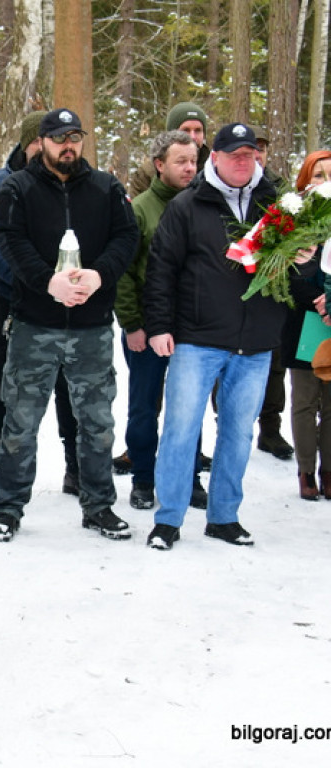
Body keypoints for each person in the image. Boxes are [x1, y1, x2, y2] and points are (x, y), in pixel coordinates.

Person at [143, 123, 315, 550]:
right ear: (213, 157)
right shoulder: (186, 206)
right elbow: (161, 270)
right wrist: (160, 326)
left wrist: (305, 261)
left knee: (238, 432)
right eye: (234, 153)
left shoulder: (278, 208)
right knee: (181, 430)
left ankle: (223, 516)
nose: (243, 159)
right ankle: (168, 520)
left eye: (250, 153)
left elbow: (292, 280)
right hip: (197, 338)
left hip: (254, 342)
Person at [0, 107, 137, 543]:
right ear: (43, 142)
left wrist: (99, 274)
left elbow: (125, 238)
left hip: (91, 325)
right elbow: (7, 238)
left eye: (75, 137)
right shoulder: (18, 187)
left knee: (96, 422)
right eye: (59, 138)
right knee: (20, 420)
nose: (68, 145)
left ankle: (99, 506)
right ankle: (8, 507)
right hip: (36, 323)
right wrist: (46, 281)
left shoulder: (107, 187)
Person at [0, 110, 82, 506]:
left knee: (69, 388)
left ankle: (77, 468)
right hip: (15, 302)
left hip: (69, 305)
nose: (51, 147)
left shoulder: (76, 183)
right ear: (28, 143)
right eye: (41, 139)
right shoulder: (0, 185)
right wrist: (35, 281)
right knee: (5, 389)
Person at [114, 130, 208, 511]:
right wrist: (132, 324)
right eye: (180, 162)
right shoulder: (140, 209)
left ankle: (189, 477)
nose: (189, 168)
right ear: (159, 165)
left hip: (193, 328)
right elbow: (122, 272)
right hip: (146, 327)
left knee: (190, 407)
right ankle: (143, 478)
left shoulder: (205, 204)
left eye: (194, 161)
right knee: (144, 406)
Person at [282, 150, 331, 499]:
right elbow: (281, 268)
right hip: (302, 318)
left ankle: (329, 469)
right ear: (305, 180)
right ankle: (306, 470)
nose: (325, 182)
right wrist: (317, 297)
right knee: (304, 399)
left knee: (330, 402)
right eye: (318, 175)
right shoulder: (291, 216)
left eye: (330, 175)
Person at [249, 124, 293, 461]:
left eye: (261, 148)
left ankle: (271, 428)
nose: (257, 154)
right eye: (251, 148)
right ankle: (228, 422)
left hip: (276, 287)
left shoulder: (281, 190)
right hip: (237, 284)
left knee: (274, 362)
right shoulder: (224, 185)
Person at [126, 101, 209, 199]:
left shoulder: (214, 170)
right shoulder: (147, 173)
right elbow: (135, 210)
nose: (192, 136)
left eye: (198, 130)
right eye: (185, 130)